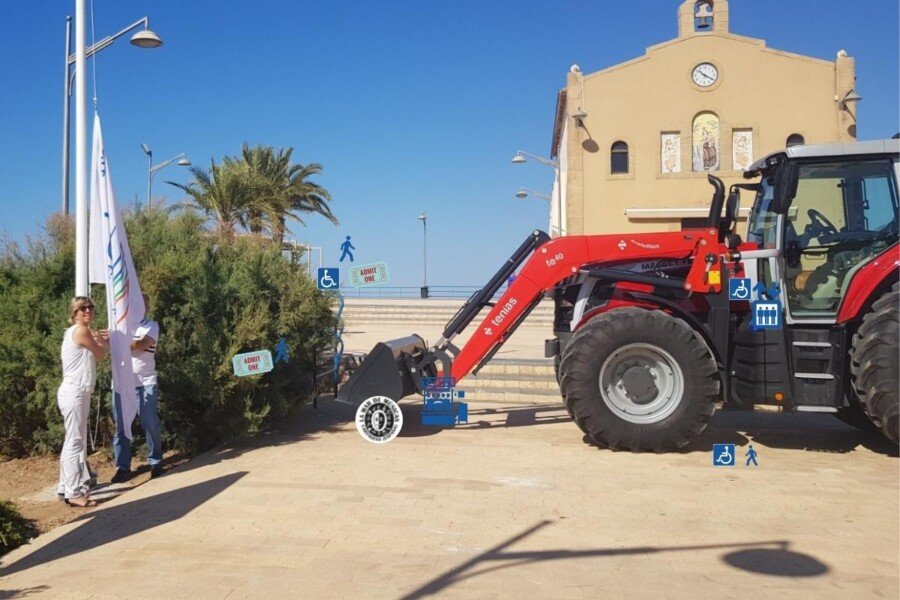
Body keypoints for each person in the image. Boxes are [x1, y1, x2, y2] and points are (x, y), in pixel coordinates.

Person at [57, 297, 108, 507]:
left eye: (90, 307)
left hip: (77, 391)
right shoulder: (81, 331)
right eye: (82, 308)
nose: (87, 311)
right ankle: (73, 491)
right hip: (74, 391)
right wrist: (103, 342)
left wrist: (98, 340)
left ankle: (64, 486)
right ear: (75, 313)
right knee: (75, 441)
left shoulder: (76, 332)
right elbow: (100, 355)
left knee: (73, 439)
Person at [111, 294, 163, 482]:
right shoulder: (119, 326)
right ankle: (123, 467)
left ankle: (156, 462)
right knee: (121, 427)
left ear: (147, 308)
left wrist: (117, 340)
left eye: (144, 304)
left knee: (150, 423)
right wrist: (114, 338)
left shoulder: (151, 326)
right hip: (121, 384)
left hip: (145, 382)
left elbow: (141, 345)